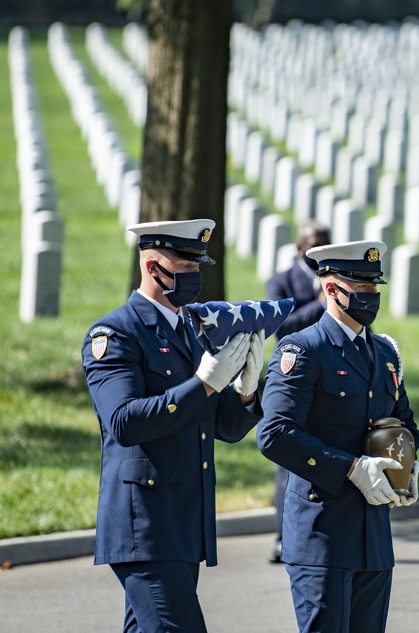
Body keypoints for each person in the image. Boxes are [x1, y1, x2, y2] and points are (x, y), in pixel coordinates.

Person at [82, 219, 265, 631]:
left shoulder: (192, 330)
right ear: (152, 268)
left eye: (198, 265)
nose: (195, 275)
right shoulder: (115, 333)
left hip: (182, 523)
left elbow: (224, 428)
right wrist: (203, 384)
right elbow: (123, 421)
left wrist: (247, 393)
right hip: (144, 526)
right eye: (185, 265)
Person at [257, 239, 419, 633]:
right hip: (322, 534)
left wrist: (408, 464)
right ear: (331, 289)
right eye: (362, 291)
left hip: (373, 536)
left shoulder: (383, 352)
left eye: (374, 290)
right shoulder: (302, 350)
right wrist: (351, 468)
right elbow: (275, 434)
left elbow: (403, 421)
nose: (371, 299)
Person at [265, 220, 332, 563]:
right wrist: (322, 301)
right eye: (311, 246)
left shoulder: (341, 280)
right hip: (294, 380)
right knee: (287, 462)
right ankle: (282, 537)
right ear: (298, 249)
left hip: (331, 383)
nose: (316, 252)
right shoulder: (281, 282)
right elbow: (281, 328)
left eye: (324, 245)